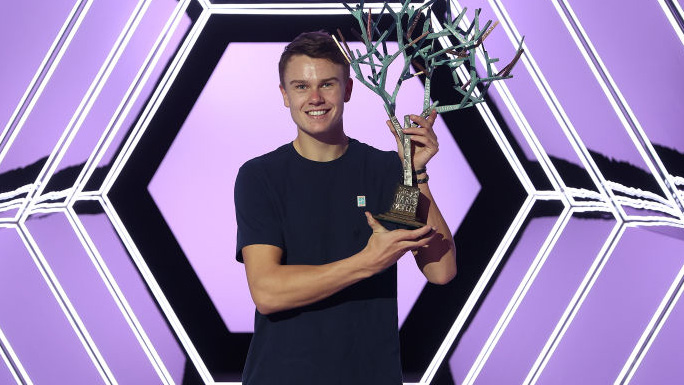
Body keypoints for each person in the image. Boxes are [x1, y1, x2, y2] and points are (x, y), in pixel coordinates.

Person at [234, 31, 456, 385]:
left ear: (348, 90)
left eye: (327, 84)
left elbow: (440, 270)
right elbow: (268, 292)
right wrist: (367, 263)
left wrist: (414, 172)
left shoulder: (386, 171)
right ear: (284, 95)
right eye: (301, 86)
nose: (316, 98)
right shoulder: (261, 177)